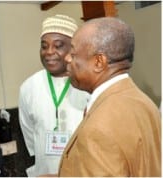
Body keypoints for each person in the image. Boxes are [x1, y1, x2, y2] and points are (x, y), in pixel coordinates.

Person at [59, 17, 161, 176]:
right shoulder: (145, 103)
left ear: (99, 62)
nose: (66, 58)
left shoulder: (98, 130)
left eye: (73, 53)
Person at [18, 14, 90, 176]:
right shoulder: (29, 87)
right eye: (44, 46)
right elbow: (30, 135)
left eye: (58, 46)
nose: (49, 52)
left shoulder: (88, 84)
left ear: (73, 49)